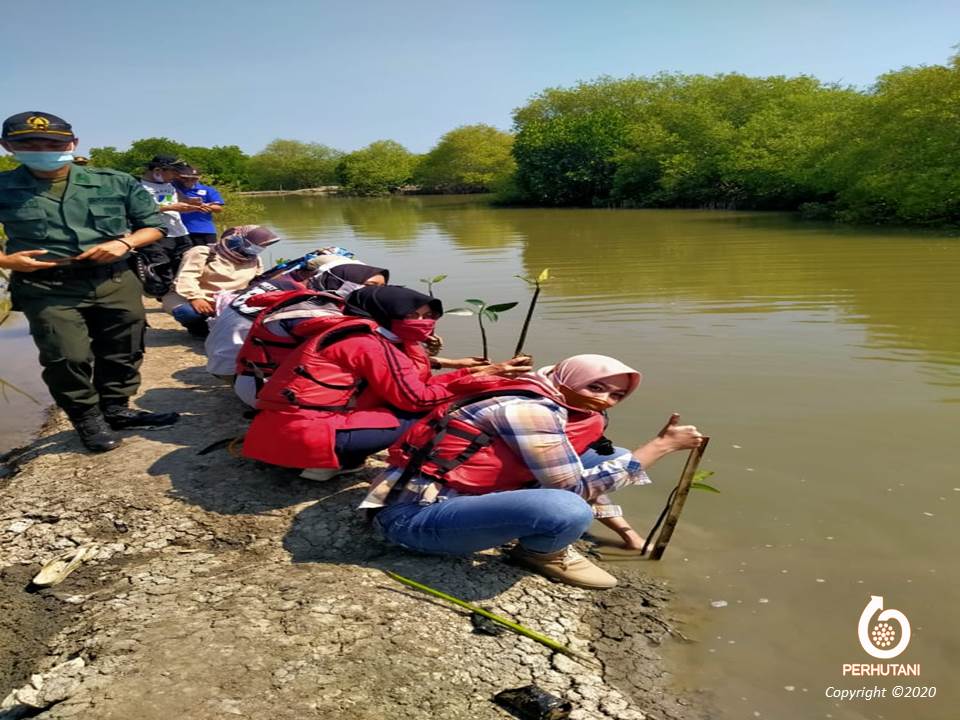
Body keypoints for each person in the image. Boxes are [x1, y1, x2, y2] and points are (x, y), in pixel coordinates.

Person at [360, 354, 704, 589]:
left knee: (609, 457)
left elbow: (576, 473)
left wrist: (627, 533)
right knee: (567, 508)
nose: (606, 400)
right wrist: (660, 446)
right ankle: (541, 552)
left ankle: (541, 534)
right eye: (596, 387)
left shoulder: (549, 391)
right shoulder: (529, 411)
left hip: (460, 497)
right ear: (569, 379)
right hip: (412, 520)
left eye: (617, 394)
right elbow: (571, 491)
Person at [0, 111, 179, 452]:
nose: (42, 149)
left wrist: (124, 243)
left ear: (73, 143)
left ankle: (115, 407)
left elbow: (155, 225)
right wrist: (6, 260)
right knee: (66, 356)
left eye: (52, 143)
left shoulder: (114, 181)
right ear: (8, 146)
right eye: (29, 143)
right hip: (46, 286)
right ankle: (86, 418)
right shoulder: (4, 187)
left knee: (125, 346)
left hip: (114, 279)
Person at [242, 285, 531, 481]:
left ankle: (330, 460)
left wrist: (484, 371)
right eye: (410, 316)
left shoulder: (362, 334)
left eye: (428, 316)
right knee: (434, 412)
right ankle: (323, 464)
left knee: (428, 402)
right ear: (381, 314)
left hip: (283, 430)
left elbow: (409, 383)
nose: (422, 322)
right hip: (306, 435)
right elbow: (416, 399)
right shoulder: (369, 343)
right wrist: (478, 380)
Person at [232, 259, 390, 406]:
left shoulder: (321, 303)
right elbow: (348, 349)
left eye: (382, 288)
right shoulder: (310, 312)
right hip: (265, 386)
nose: (377, 292)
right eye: (370, 285)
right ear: (341, 283)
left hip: (269, 379)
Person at [162, 225, 279, 337]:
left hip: (227, 301)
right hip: (193, 297)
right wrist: (195, 298)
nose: (258, 249)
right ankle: (198, 330)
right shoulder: (204, 252)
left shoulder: (254, 259)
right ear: (238, 239)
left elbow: (256, 282)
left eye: (261, 247)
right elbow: (186, 277)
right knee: (188, 313)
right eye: (255, 245)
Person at [136, 155, 196, 297]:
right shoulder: (137, 186)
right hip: (155, 233)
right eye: (173, 172)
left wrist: (192, 205)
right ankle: (166, 297)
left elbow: (176, 203)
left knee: (186, 263)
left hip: (179, 232)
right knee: (162, 268)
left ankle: (181, 295)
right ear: (157, 170)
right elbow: (138, 210)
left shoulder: (170, 185)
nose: (176, 177)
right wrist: (171, 207)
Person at [172, 164, 224, 246]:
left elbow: (218, 208)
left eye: (193, 178)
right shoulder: (173, 188)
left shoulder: (208, 190)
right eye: (185, 178)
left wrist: (203, 206)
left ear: (199, 178)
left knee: (208, 255)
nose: (189, 181)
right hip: (181, 231)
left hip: (205, 230)